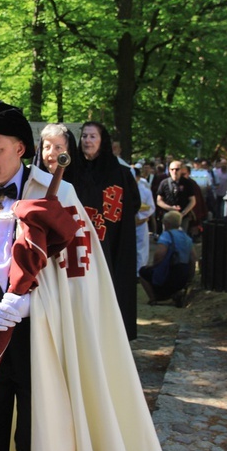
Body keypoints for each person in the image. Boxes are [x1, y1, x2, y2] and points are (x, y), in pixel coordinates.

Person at [0, 100, 164, 451]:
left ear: (20, 149)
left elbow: (81, 277)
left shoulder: (60, 197)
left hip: (44, 336)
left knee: (40, 434)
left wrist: (34, 303)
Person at [74, 121, 140, 340]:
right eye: (84, 136)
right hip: (79, 245)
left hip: (111, 243)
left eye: (93, 136)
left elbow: (134, 203)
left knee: (110, 289)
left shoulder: (120, 173)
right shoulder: (72, 171)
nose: (87, 141)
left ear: (103, 141)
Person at [139, 211, 196, 306]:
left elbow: (159, 255)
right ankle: (176, 294)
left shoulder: (166, 236)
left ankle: (153, 299)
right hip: (183, 275)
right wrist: (190, 277)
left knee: (142, 271)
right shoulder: (186, 237)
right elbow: (193, 258)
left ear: (167, 224)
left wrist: (153, 266)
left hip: (169, 274)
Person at [156, 160, 196, 233]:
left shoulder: (187, 183)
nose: (174, 171)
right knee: (168, 237)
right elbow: (159, 201)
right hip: (168, 215)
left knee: (181, 238)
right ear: (169, 170)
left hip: (183, 217)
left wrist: (183, 213)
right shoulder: (164, 183)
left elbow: (192, 201)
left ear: (181, 170)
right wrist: (170, 208)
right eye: (172, 169)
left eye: (177, 169)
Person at [135, 165, 156, 274]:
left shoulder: (145, 190)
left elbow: (151, 207)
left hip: (141, 222)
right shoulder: (125, 189)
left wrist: (142, 218)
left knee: (141, 247)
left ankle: (140, 271)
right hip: (129, 223)